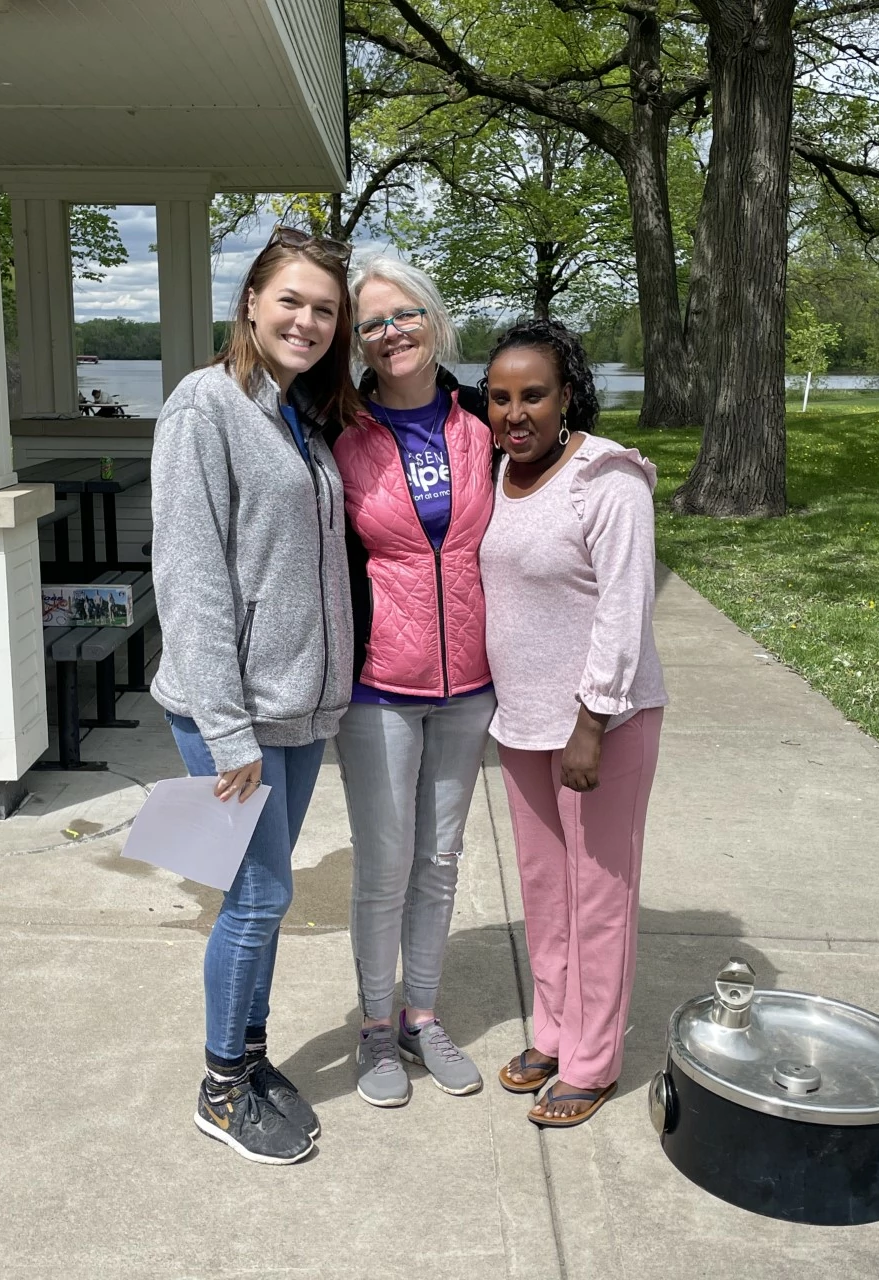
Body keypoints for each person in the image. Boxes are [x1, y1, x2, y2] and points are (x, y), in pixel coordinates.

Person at [150, 226, 359, 1164]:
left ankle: (253, 1054)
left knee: (264, 902)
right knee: (255, 896)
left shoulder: (297, 414)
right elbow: (189, 579)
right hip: (225, 711)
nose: (308, 321)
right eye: (292, 301)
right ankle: (220, 1089)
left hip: (298, 710)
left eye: (324, 308)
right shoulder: (206, 405)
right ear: (250, 303)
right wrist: (228, 733)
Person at [479, 320, 667, 1128]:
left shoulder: (608, 479)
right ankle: (553, 1033)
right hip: (522, 722)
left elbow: (625, 611)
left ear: (567, 396)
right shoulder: (497, 472)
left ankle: (593, 1060)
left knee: (599, 895)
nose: (515, 413)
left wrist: (591, 719)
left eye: (533, 395)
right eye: (500, 398)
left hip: (603, 725)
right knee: (545, 888)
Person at [332, 255, 495, 1107]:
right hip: (377, 687)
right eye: (371, 324)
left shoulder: (480, 424)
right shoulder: (341, 431)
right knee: (385, 864)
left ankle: (421, 1016)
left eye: (404, 316)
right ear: (356, 342)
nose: (389, 334)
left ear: (433, 321)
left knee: (440, 858)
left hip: (470, 683)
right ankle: (371, 1028)